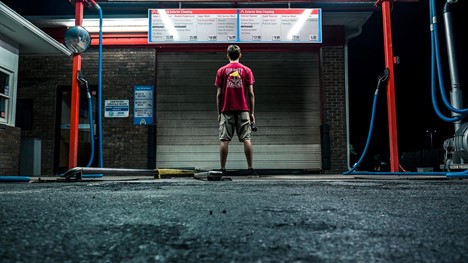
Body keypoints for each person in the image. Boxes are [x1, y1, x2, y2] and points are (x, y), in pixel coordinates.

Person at [214, 44, 258, 177]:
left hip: (226, 109)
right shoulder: (247, 70)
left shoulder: (221, 71)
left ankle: (222, 169)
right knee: (246, 138)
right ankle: (250, 169)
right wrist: (251, 113)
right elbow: (250, 93)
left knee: (224, 140)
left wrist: (219, 113)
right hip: (243, 109)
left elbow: (219, 94)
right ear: (240, 55)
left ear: (227, 55)